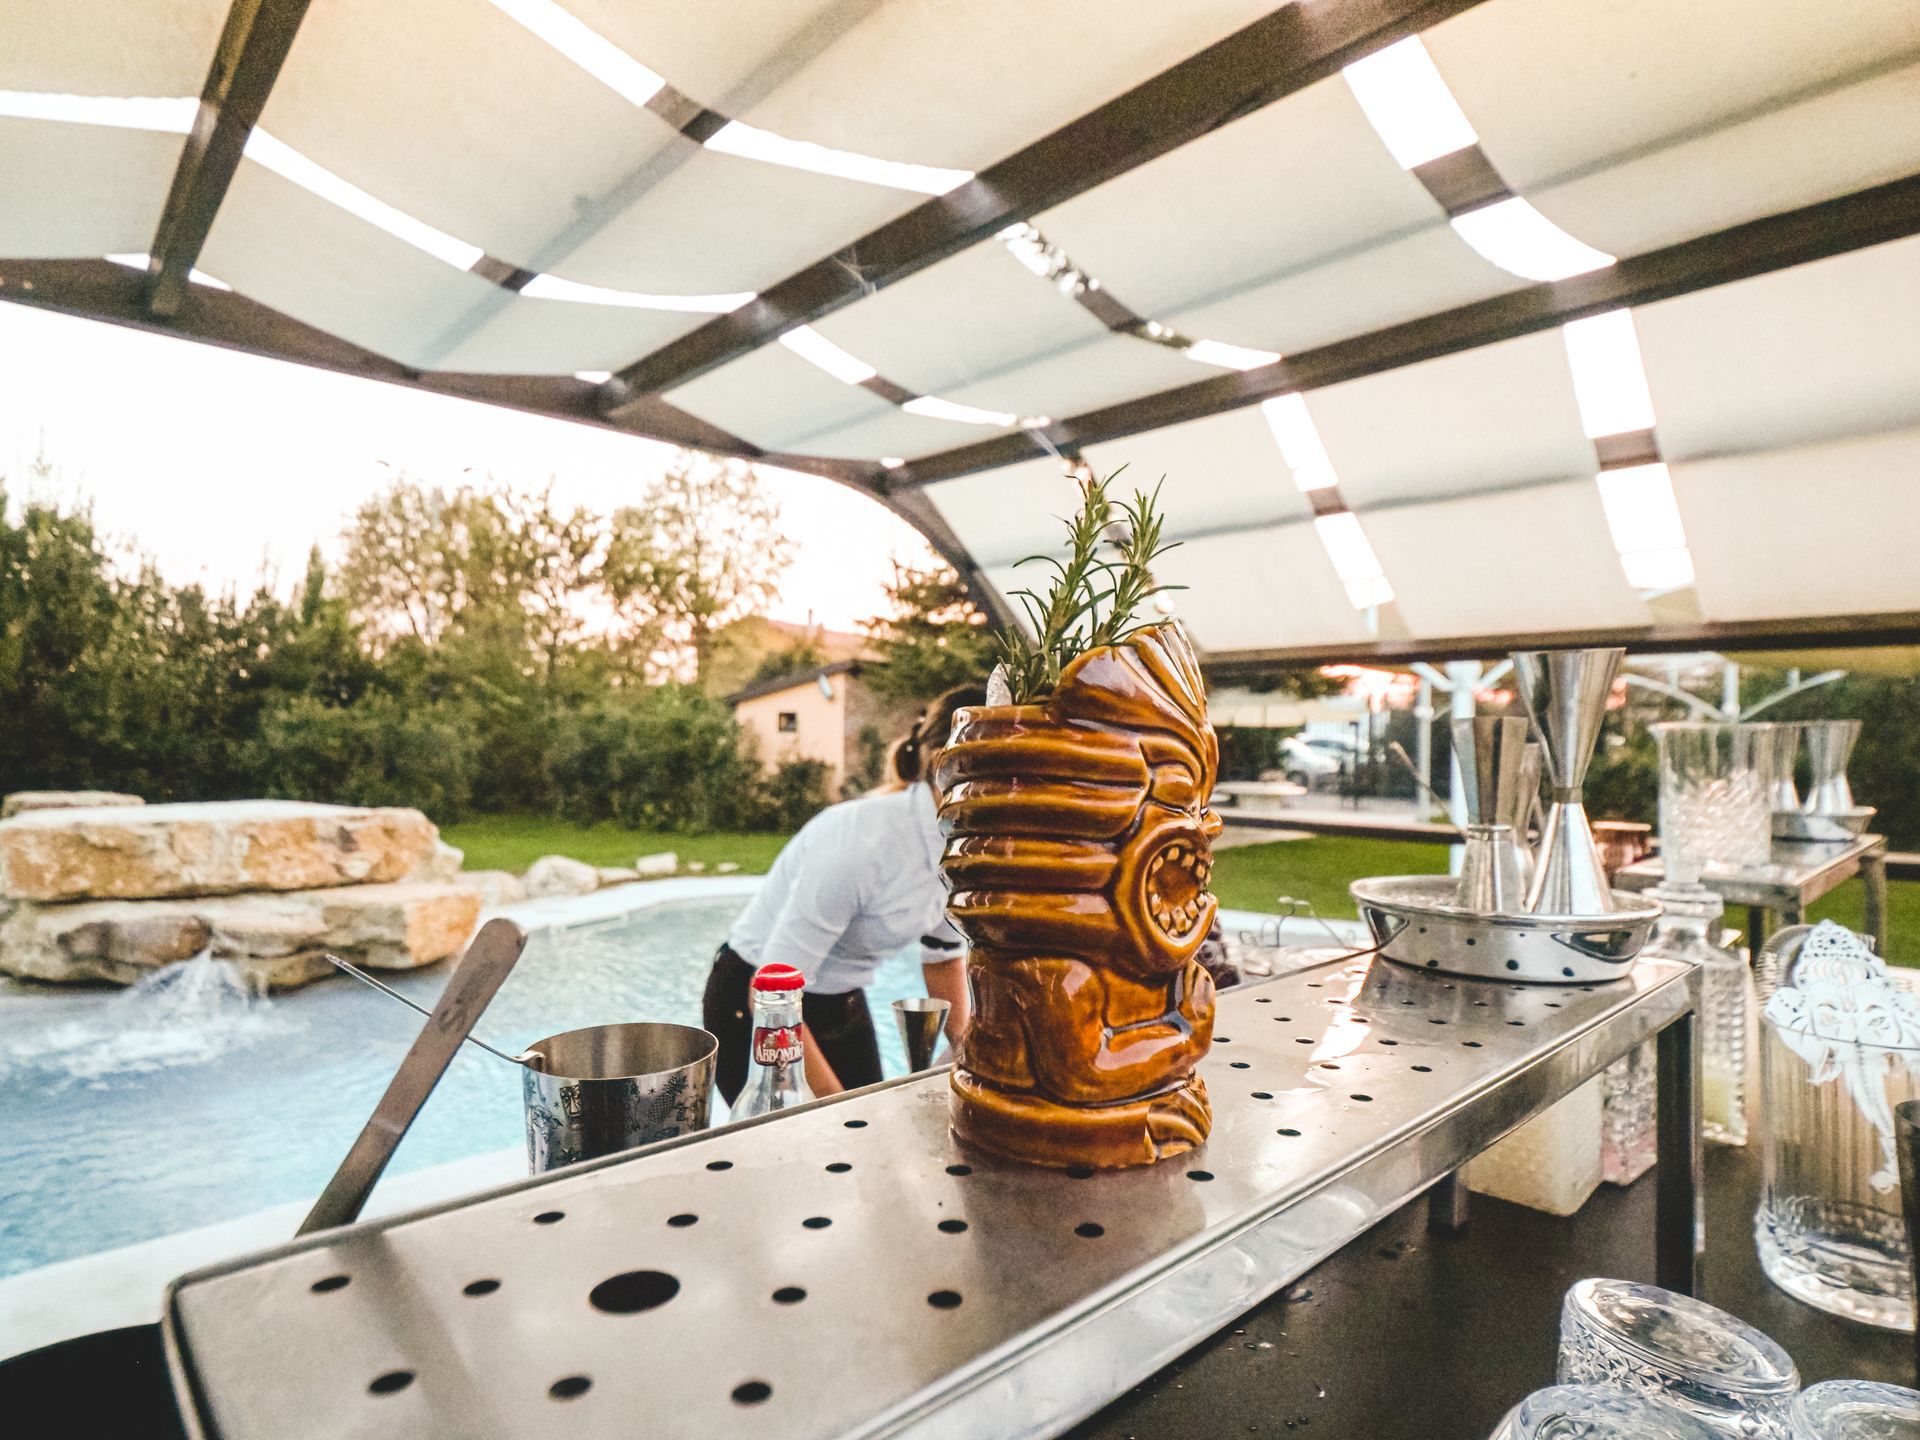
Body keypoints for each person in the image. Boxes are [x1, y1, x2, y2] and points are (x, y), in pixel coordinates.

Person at [702, 685, 982, 1105]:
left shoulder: (964, 843)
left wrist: (970, 1050)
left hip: (841, 1000)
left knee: (871, 1136)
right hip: (755, 999)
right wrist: (832, 1108)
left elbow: (942, 957)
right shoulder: (860, 843)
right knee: (816, 1140)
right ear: (946, 763)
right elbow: (771, 990)